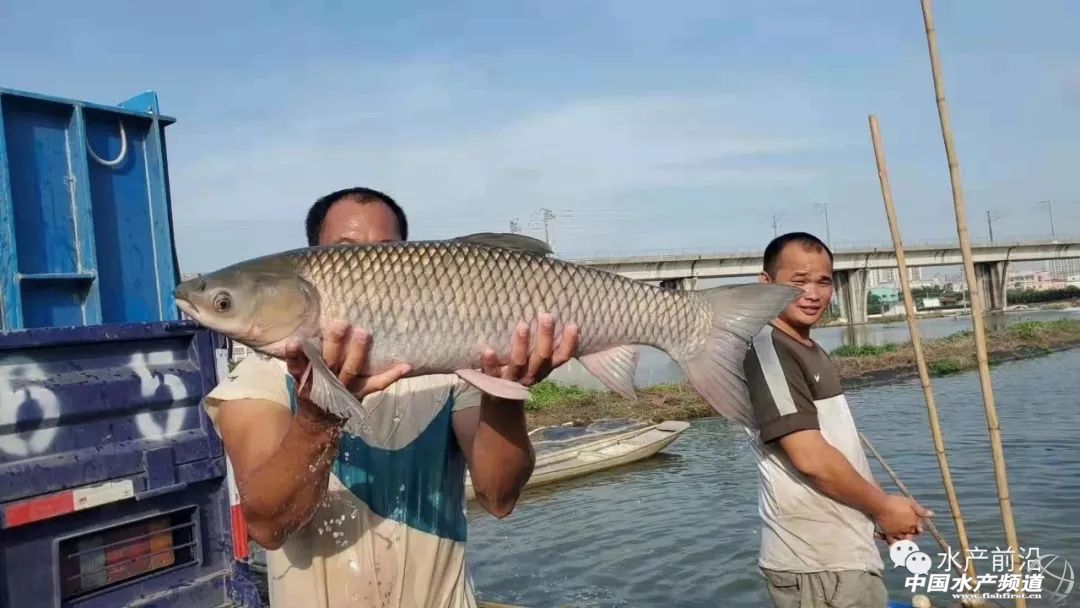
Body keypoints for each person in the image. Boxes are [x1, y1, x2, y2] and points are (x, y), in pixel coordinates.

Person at [202, 186, 579, 608]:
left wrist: (506, 388)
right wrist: (318, 414)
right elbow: (268, 526)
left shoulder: (450, 369)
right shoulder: (257, 378)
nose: (365, 269)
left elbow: (499, 497)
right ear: (313, 259)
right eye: (345, 253)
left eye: (384, 251)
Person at [742, 232, 931, 608]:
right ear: (766, 284)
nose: (812, 294)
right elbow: (810, 457)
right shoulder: (768, 350)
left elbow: (840, 448)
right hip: (818, 566)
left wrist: (879, 513)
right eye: (798, 281)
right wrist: (883, 508)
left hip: (842, 557)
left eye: (823, 282)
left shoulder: (806, 347)